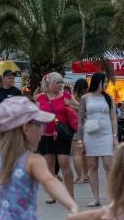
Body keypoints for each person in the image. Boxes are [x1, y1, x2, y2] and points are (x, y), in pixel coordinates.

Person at [37, 72, 76, 200]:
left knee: (64, 163)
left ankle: (70, 194)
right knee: (49, 165)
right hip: (45, 135)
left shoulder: (66, 96)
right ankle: (53, 194)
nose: (60, 85)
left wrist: (69, 104)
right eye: (58, 82)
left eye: (61, 82)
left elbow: (80, 107)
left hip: (62, 134)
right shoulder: (40, 98)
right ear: (49, 84)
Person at [81, 72, 117, 207]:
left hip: (106, 133)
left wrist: (115, 137)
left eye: (107, 82)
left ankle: (112, 198)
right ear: (97, 82)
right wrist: (80, 139)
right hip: (90, 134)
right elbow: (80, 119)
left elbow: (113, 118)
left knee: (109, 165)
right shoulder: (85, 97)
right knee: (92, 165)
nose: (106, 84)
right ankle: (95, 198)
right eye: (104, 81)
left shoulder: (109, 98)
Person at [70, 78, 89, 185]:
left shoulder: (72, 99)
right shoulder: (88, 98)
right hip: (87, 127)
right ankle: (86, 175)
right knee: (85, 153)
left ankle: (80, 177)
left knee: (77, 153)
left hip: (75, 127)